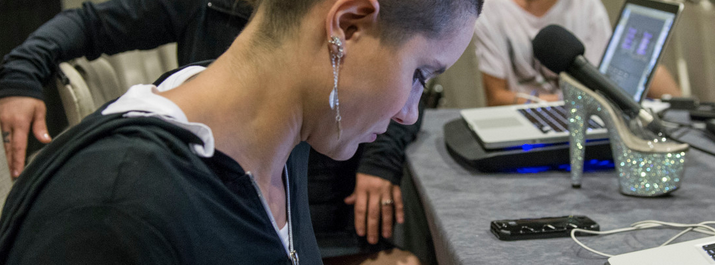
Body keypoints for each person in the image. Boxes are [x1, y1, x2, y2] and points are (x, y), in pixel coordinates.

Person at [0, 0, 480, 263]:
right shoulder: (114, 210)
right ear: (346, 27)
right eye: (419, 75)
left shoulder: (287, 146)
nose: (410, 115)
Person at [474, 0, 681, 106]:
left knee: (654, 73)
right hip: (532, 115)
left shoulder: (587, 6)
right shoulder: (489, 11)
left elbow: (605, 73)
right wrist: (554, 104)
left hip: (587, 106)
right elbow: (495, 97)